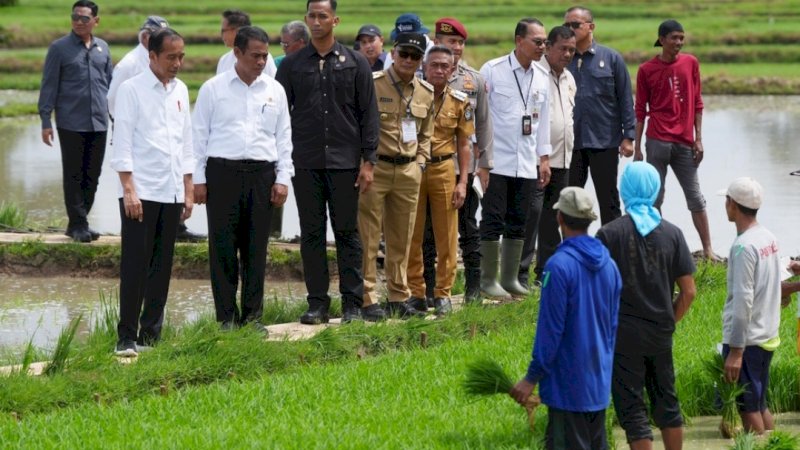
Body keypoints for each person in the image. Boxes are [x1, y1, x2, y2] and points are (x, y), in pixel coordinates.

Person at [276, 0, 378, 324]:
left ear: (335, 19)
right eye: (312, 16)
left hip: (345, 162)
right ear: (306, 20)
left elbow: (369, 115)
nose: (317, 21)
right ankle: (317, 304)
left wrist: (368, 162)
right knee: (312, 234)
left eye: (323, 16)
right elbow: (279, 116)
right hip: (305, 161)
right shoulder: (292, 65)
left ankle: (351, 303)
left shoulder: (356, 62)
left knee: (347, 233)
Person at [193, 26, 294, 330]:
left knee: (256, 249)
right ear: (237, 53)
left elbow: (284, 139)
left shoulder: (274, 90)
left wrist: (282, 178)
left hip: (262, 175)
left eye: (265, 55)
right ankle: (226, 317)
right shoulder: (213, 88)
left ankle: (253, 318)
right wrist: (198, 179)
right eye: (255, 55)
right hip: (222, 173)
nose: (262, 61)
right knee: (222, 248)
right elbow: (198, 137)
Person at [511, 187, 621, 450]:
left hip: (567, 388)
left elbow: (551, 330)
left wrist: (531, 378)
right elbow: (613, 327)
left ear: (559, 218)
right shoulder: (610, 266)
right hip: (598, 385)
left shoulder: (558, 267)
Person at [596, 162, 696, 450]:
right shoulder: (673, 233)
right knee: (667, 402)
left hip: (623, 336)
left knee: (632, 409)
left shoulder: (609, 234)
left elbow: (598, 291)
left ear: (624, 190)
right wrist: (669, 321)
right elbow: (689, 291)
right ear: (655, 190)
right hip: (660, 334)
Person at [109, 28, 194, 357]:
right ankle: (126, 337)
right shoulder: (131, 90)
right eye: (171, 57)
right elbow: (123, 141)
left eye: (181, 56)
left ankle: (152, 334)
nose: (177, 63)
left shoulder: (181, 90)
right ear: (153, 57)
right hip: (141, 191)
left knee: (163, 265)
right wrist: (128, 188)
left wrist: (188, 189)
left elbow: (186, 142)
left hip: (172, 190)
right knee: (135, 264)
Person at [359, 32, 434, 321]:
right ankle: (367, 298)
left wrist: (421, 161)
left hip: (408, 170)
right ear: (393, 52)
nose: (409, 60)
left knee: (402, 238)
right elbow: (360, 126)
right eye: (404, 54)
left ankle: (398, 296)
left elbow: (426, 132)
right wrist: (364, 163)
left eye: (415, 57)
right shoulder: (373, 84)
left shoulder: (425, 91)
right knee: (368, 235)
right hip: (376, 168)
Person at [420, 17, 493, 304]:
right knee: (427, 233)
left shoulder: (473, 79)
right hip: (431, 166)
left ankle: (473, 288)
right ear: (437, 42)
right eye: (452, 42)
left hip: (464, 167)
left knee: (468, 228)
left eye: (461, 42)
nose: (458, 47)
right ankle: (427, 290)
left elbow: (484, 125)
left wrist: (484, 164)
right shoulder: (423, 76)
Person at [478, 18, 551, 299]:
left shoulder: (542, 76)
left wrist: (543, 158)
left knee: (519, 219)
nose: (542, 47)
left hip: (527, 162)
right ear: (519, 40)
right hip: (497, 161)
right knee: (493, 218)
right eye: (537, 41)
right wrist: (481, 161)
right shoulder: (493, 71)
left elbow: (543, 122)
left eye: (544, 42)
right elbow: (480, 119)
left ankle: (509, 280)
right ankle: (488, 281)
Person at [634, 19, 717, 261]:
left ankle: (708, 249)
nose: (679, 42)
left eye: (681, 38)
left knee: (695, 196)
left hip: (684, 142)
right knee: (655, 197)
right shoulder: (646, 70)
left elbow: (698, 102)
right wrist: (637, 147)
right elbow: (640, 110)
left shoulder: (691, 63)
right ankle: (658, 248)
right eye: (674, 38)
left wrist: (698, 139)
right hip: (657, 141)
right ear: (661, 40)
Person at [406, 46, 473, 316]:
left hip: (444, 167)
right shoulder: (411, 94)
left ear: (453, 69)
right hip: (413, 167)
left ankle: (443, 293)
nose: (439, 70)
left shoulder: (459, 100)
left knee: (447, 234)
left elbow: (465, 144)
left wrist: (463, 181)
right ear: (424, 65)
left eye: (445, 66)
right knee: (412, 232)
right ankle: (416, 292)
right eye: (434, 65)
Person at [38, 0, 112, 243]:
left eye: (84, 18)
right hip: (71, 122)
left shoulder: (103, 48)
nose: (79, 22)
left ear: (95, 21)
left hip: (99, 122)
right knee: (74, 174)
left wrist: (117, 116)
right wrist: (45, 120)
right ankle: (80, 224)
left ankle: (76, 224)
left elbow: (110, 85)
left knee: (93, 175)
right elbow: (49, 85)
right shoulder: (59, 48)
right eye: (75, 17)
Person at [720, 177, 781, 435]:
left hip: (749, 342)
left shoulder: (743, 247)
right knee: (759, 402)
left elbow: (744, 300)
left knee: (749, 408)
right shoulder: (767, 237)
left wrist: (735, 351)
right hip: (766, 335)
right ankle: (777, 443)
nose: (725, 205)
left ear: (733, 205)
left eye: (726, 200)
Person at [564, 6, 636, 225]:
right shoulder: (562, 59)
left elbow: (625, 99)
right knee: (570, 200)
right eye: (566, 25)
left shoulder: (611, 58)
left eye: (575, 25)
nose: (570, 29)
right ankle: (574, 248)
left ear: (591, 27)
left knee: (609, 200)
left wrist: (629, 136)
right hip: (570, 143)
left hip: (604, 141)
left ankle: (612, 250)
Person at [518, 26, 577, 288]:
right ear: (549, 47)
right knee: (531, 216)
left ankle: (545, 275)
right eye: (562, 48)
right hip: (537, 159)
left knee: (554, 218)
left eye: (572, 50)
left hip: (562, 159)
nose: (567, 54)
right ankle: (519, 274)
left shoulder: (569, 79)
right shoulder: (536, 74)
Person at [107, 15, 168, 117]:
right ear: (145, 37)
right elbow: (113, 100)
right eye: (158, 37)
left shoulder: (162, 61)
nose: (162, 42)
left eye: (165, 37)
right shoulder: (129, 65)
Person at [217, 9, 278, 77]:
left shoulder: (263, 58)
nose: (221, 34)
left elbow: (273, 83)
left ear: (236, 31)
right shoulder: (224, 60)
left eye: (223, 30)